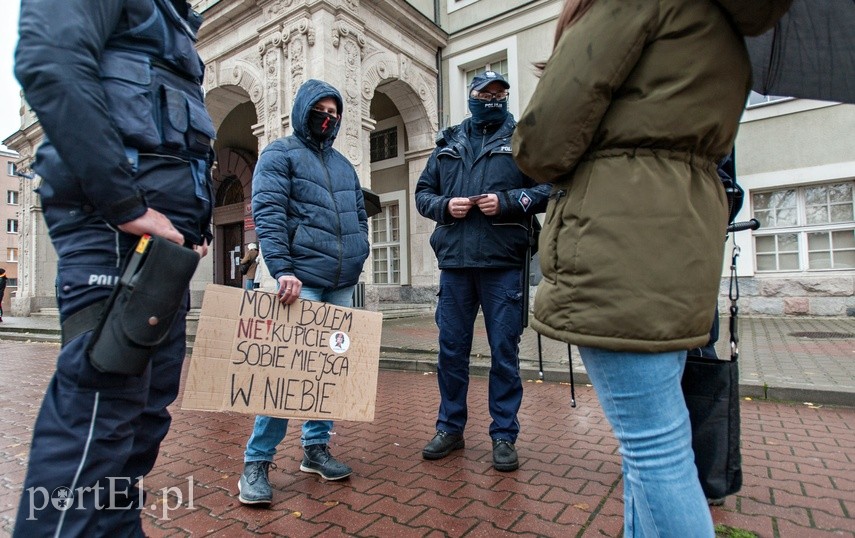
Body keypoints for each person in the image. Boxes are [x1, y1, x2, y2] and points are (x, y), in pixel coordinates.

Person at [511, 0, 791, 535]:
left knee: (654, 451)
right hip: (676, 241)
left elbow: (542, 141)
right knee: (653, 445)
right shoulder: (728, 24)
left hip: (619, 240)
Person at [12, 0, 214, 535]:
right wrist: (125, 205)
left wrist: (197, 227)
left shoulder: (173, 18)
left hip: (162, 254)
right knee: (94, 433)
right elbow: (50, 62)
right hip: (114, 238)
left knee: (140, 428)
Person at [238, 79, 370, 505]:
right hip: (300, 281)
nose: (327, 118)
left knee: (326, 373)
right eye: (320, 110)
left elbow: (359, 216)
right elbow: (269, 212)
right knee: (286, 374)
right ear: (303, 110)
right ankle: (256, 462)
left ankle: (315, 449)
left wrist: (359, 254)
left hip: (341, 284)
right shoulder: (279, 154)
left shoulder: (344, 166)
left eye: (334, 111)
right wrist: (282, 270)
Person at [414, 71, 550, 472]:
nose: (493, 99)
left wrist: (508, 201)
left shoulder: (523, 138)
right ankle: (450, 428)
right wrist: (444, 206)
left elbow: (549, 188)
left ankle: (504, 434)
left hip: (503, 264)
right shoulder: (448, 142)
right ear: (471, 96)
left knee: (504, 353)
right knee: (450, 352)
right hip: (455, 264)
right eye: (485, 93)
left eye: (500, 93)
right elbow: (423, 193)